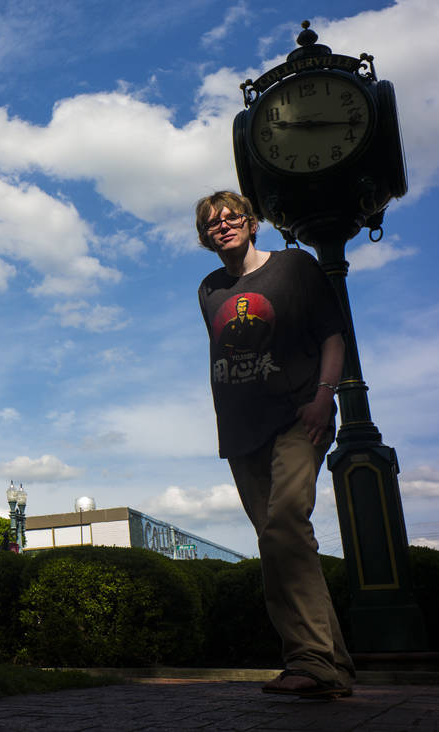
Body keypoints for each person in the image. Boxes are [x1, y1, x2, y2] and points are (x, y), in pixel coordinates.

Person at [195, 190, 355, 699]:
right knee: (278, 543)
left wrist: (324, 397)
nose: (223, 226)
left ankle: (308, 661)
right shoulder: (210, 289)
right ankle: (333, 664)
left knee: (286, 524)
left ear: (252, 222)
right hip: (241, 432)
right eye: (212, 224)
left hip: (297, 417)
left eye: (231, 217)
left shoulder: (294, 267)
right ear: (205, 238)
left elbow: (333, 333)